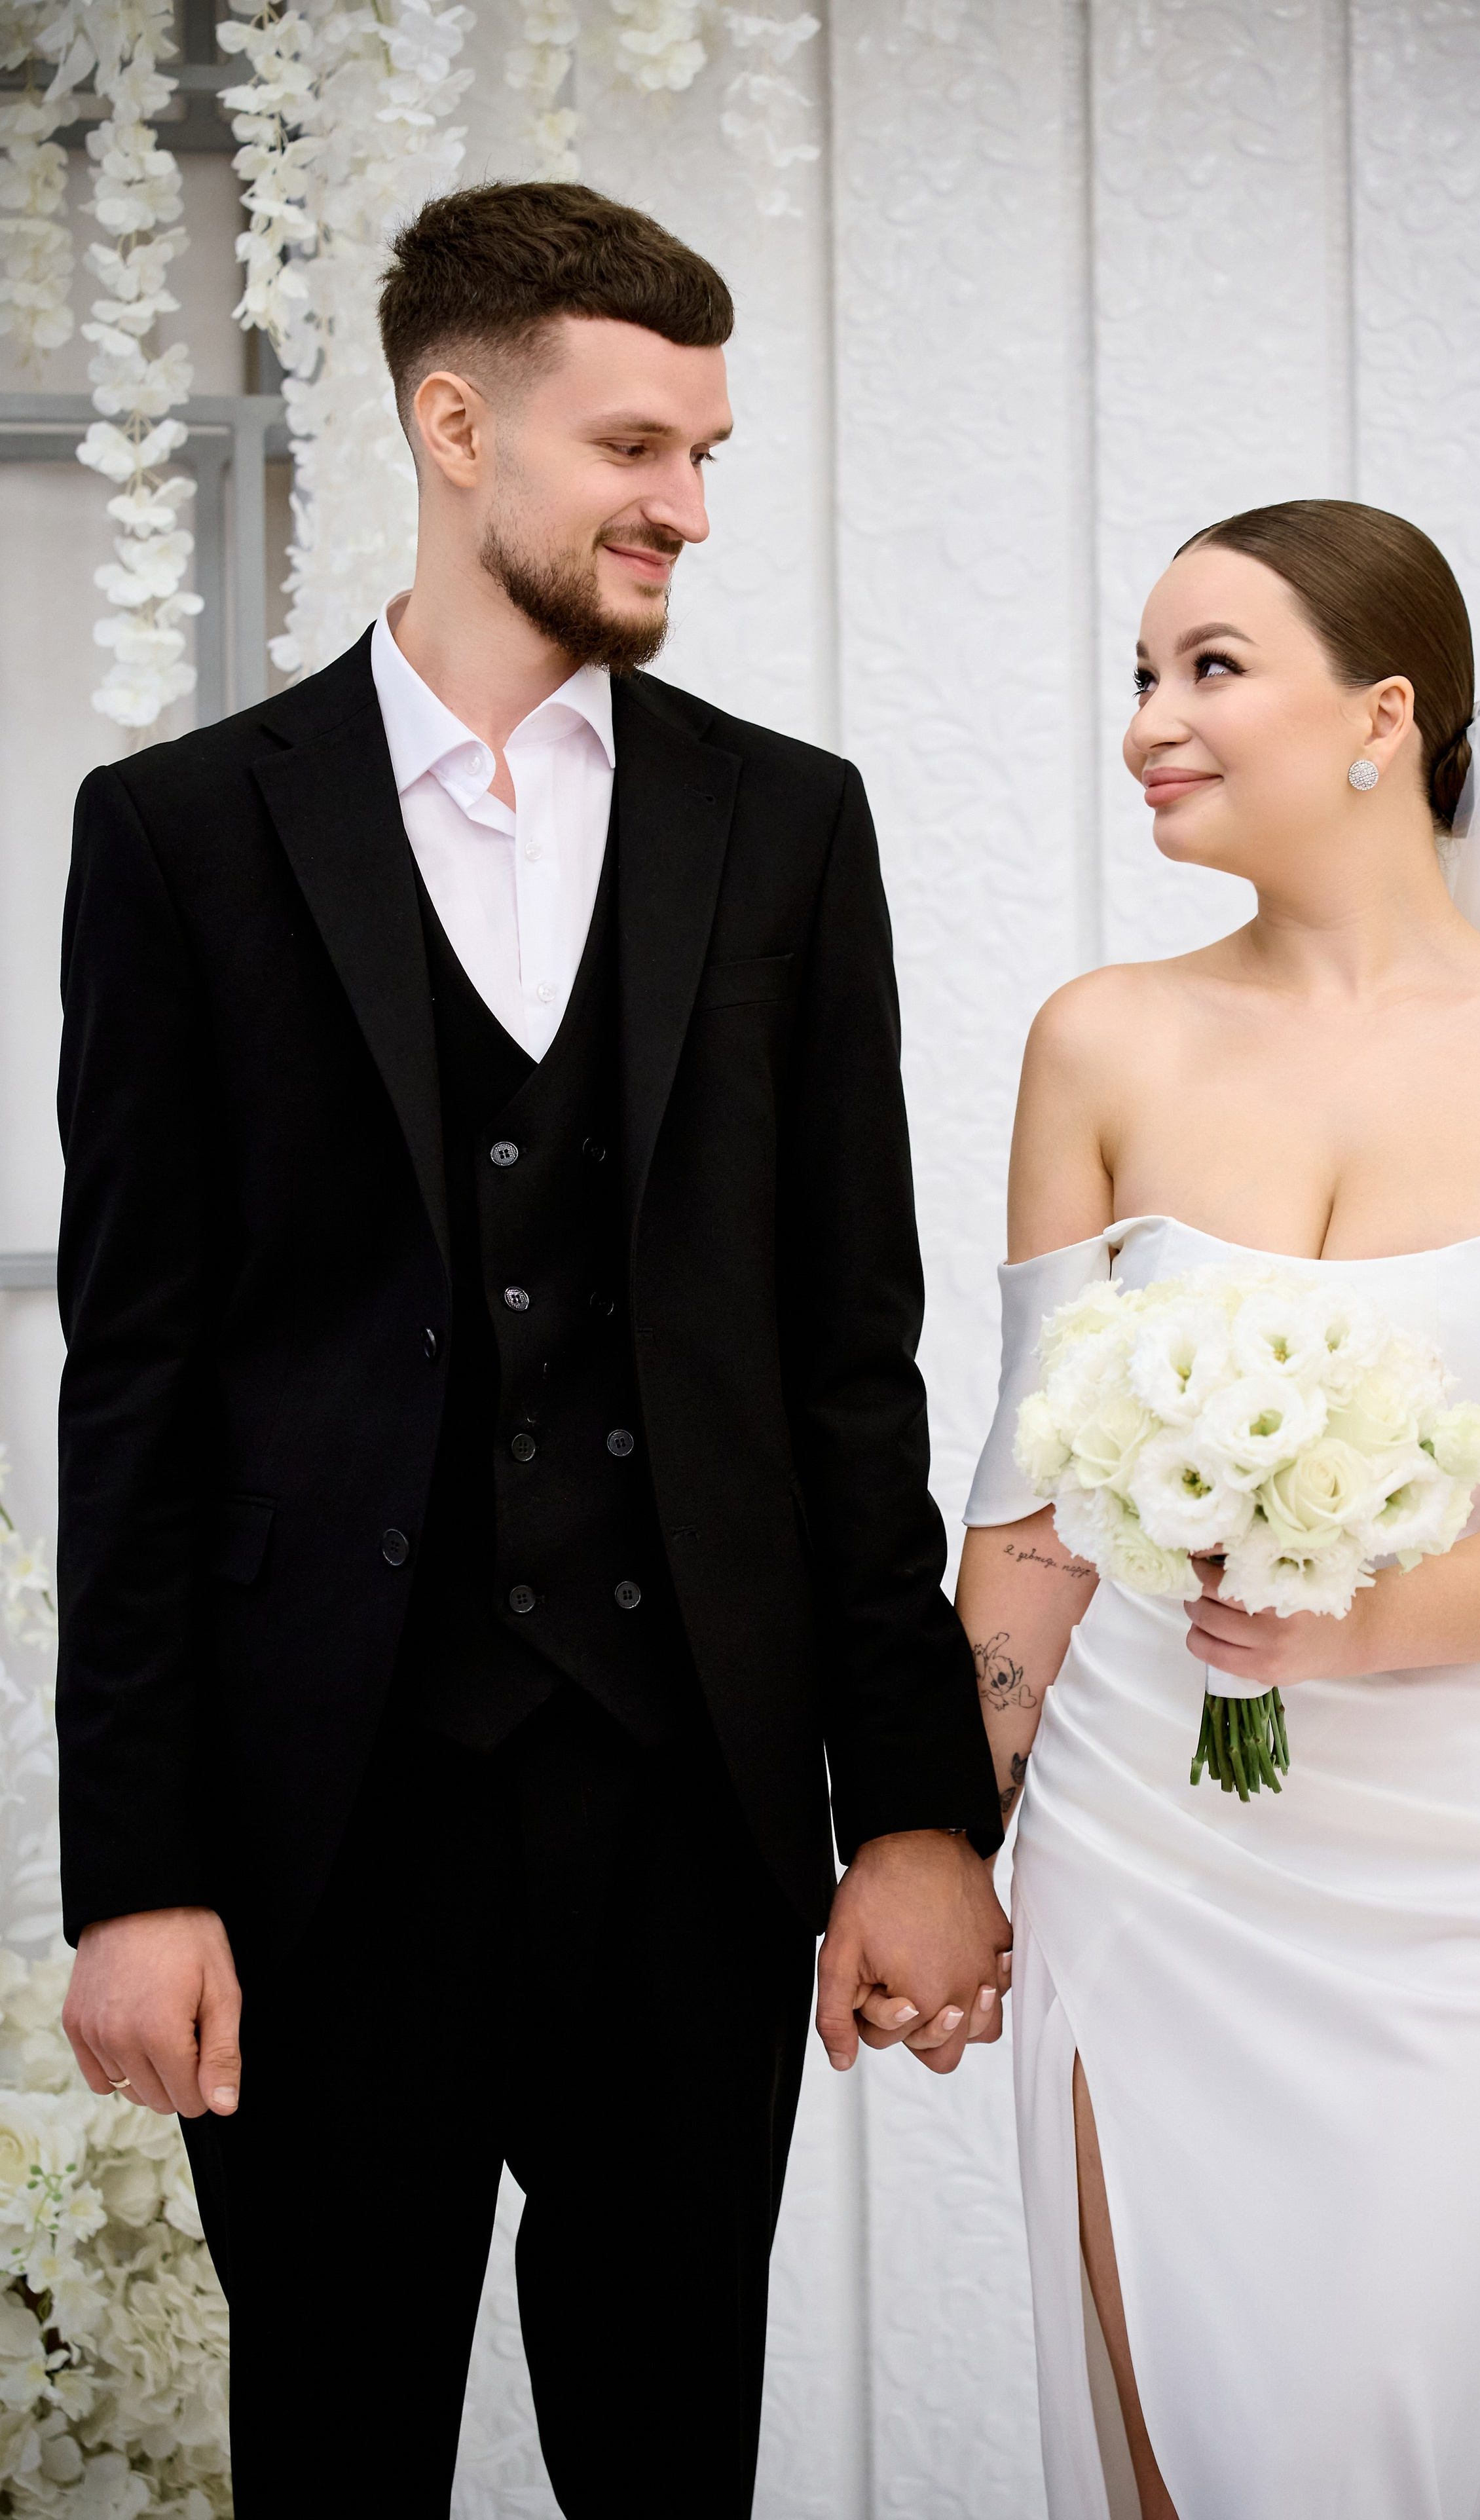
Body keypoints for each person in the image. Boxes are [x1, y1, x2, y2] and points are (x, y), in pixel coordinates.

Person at [53, 181, 1008, 2518]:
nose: (686, 502)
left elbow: (844, 1364)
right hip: (318, 1834)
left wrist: (909, 1810)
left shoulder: (786, 831)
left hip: (689, 1816)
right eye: (634, 447)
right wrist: (135, 1872)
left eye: (706, 452)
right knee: (337, 2457)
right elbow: (137, 1383)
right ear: (456, 424)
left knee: (673, 2455)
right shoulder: (181, 836)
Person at [956, 500, 1480, 2519]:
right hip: (1145, 1849)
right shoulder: (1099, 1038)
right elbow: (1026, 1504)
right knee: (1172, 2456)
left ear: (1383, 717)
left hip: (1465, 1883)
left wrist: (1360, 1625)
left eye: (1208, 669)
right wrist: (946, 1838)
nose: (1149, 723)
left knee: (1366, 2454)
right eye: (1139, 676)